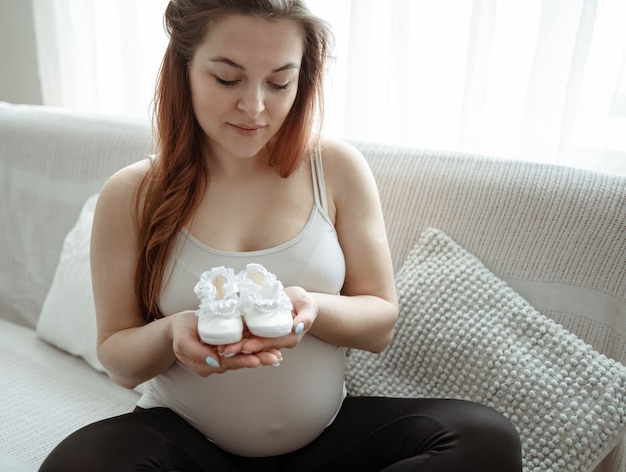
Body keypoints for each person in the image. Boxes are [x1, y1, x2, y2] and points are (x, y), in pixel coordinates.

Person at [40, 1, 522, 471]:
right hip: (187, 438)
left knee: (485, 439)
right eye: (227, 78)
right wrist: (172, 333)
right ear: (183, 69)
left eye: (279, 82)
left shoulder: (334, 169)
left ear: (302, 79)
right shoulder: (131, 194)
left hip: (327, 443)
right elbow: (120, 361)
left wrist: (309, 310)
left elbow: (379, 322)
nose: (254, 106)